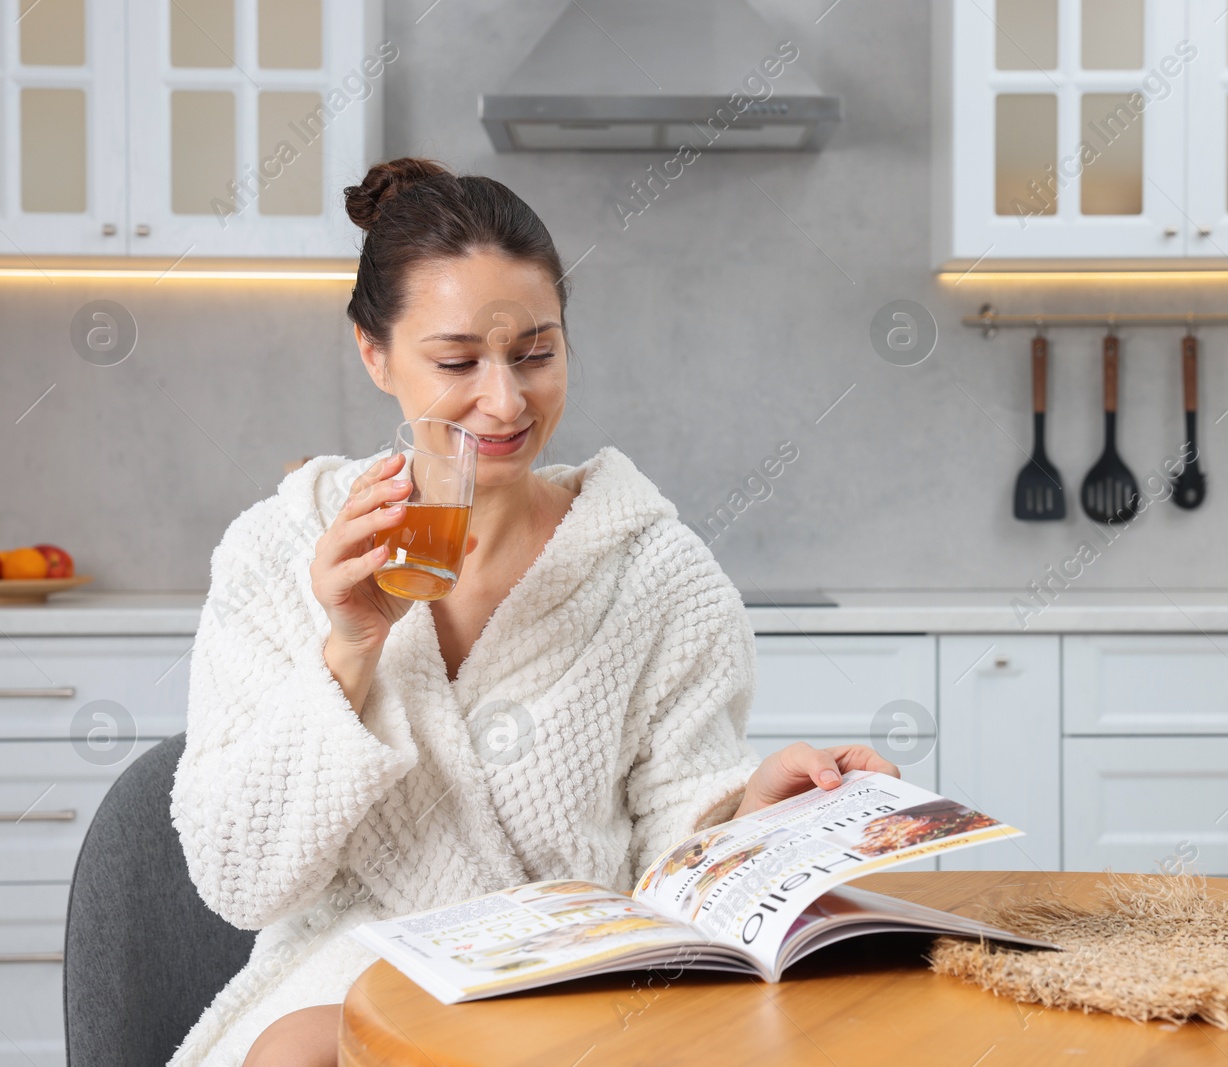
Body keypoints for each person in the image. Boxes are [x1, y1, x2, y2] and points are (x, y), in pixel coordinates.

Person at [165, 158, 898, 1067]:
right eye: (457, 360)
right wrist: (351, 646)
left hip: (582, 989)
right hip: (350, 982)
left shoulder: (656, 574)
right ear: (374, 352)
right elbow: (238, 879)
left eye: (536, 353)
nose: (505, 401)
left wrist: (756, 809)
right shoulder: (275, 555)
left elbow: (679, 865)